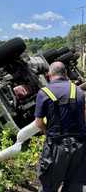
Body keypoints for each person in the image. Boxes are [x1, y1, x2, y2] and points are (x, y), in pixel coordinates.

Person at [34, 61, 86, 192]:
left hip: (56, 147)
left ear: (49, 75)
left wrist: (47, 132)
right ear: (66, 73)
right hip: (79, 146)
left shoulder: (44, 92)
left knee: (49, 186)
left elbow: (38, 123)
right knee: (74, 185)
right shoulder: (78, 91)